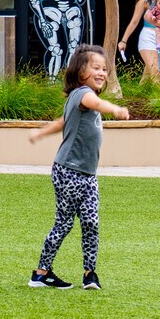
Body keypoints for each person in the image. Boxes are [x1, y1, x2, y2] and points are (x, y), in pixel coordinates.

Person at [26, 46, 129, 290]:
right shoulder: (83, 94)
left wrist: (40, 133)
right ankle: (41, 273)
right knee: (64, 223)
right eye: (96, 67)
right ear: (81, 72)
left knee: (91, 222)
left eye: (104, 69)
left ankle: (89, 274)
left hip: (88, 174)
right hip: (68, 171)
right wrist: (114, 109)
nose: (102, 72)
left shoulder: (83, 99)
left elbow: (63, 121)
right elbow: (93, 101)